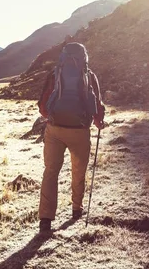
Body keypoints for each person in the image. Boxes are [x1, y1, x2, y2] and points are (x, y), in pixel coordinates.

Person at [36, 42, 105, 232]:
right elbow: (97, 103)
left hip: (55, 131)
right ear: (85, 57)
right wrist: (98, 121)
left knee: (50, 172)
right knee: (78, 171)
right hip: (80, 131)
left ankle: (46, 219)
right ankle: (77, 209)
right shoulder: (89, 76)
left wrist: (52, 118)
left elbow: (42, 105)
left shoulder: (55, 74)